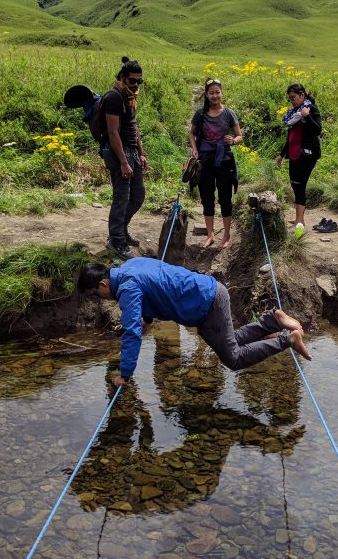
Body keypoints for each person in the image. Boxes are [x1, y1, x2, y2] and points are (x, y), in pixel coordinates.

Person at [77, 258, 311, 386]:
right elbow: (152, 291)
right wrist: (148, 319)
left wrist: (125, 374)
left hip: (207, 303)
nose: (99, 299)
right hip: (205, 298)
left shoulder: (127, 288)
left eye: (95, 295)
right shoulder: (130, 266)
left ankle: (288, 339)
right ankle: (272, 320)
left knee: (234, 358)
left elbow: (131, 333)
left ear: (103, 285)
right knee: (229, 342)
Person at [100, 57, 149, 257]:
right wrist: (123, 161)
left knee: (137, 195)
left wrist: (141, 153)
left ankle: (121, 231)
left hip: (131, 151)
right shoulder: (113, 97)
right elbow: (113, 132)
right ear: (122, 77)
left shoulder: (129, 96)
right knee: (122, 196)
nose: (136, 84)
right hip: (118, 152)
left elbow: (133, 128)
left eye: (139, 81)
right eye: (132, 80)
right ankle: (116, 241)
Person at [189, 78, 243, 250]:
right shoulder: (200, 114)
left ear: (222, 93)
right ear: (206, 95)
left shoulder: (229, 113)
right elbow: (191, 133)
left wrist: (233, 140)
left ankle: (226, 235)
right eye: (211, 93)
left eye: (217, 92)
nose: (214, 96)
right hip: (205, 160)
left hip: (224, 159)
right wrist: (195, 149)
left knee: (225, 197)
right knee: (207, 197)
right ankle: (210, 235)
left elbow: (240, 136)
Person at [276, 83, 322, 237]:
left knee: (300, 185)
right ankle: (298, 218)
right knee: (294, 184)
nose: (292, 101)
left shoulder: (310, 110)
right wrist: (281, 154)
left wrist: (306, 116)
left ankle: (300, 221)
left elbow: (317, 130)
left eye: (294, 98)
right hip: (295, 153)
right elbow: (291, 137)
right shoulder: (293, 114)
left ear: (302, 96)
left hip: (308, 155)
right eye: (290, 99)